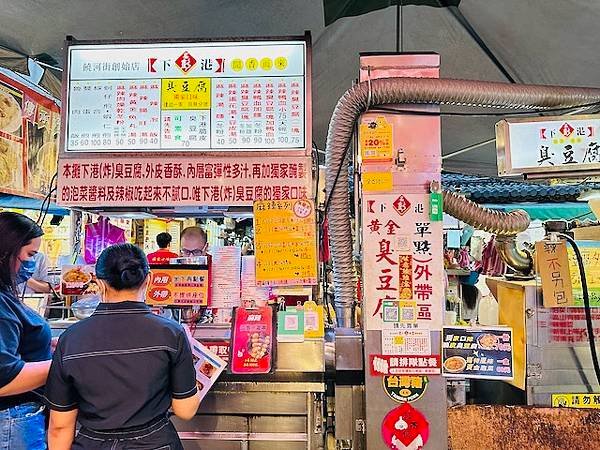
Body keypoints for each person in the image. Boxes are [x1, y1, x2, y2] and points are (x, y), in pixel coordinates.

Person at [44, 244, 201, 450]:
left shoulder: (71, 339)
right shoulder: (171, 333)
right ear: (149, 279)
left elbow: (60, 427)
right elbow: (185, 410)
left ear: (99, 283)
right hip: (155, 442)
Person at [0, 212, 52, 450]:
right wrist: (67, 361)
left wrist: (52, 346)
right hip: (12, 418)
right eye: (30, 255)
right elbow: (5, 377)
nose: (32, 263)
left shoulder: (6, 295)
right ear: (6, 251)